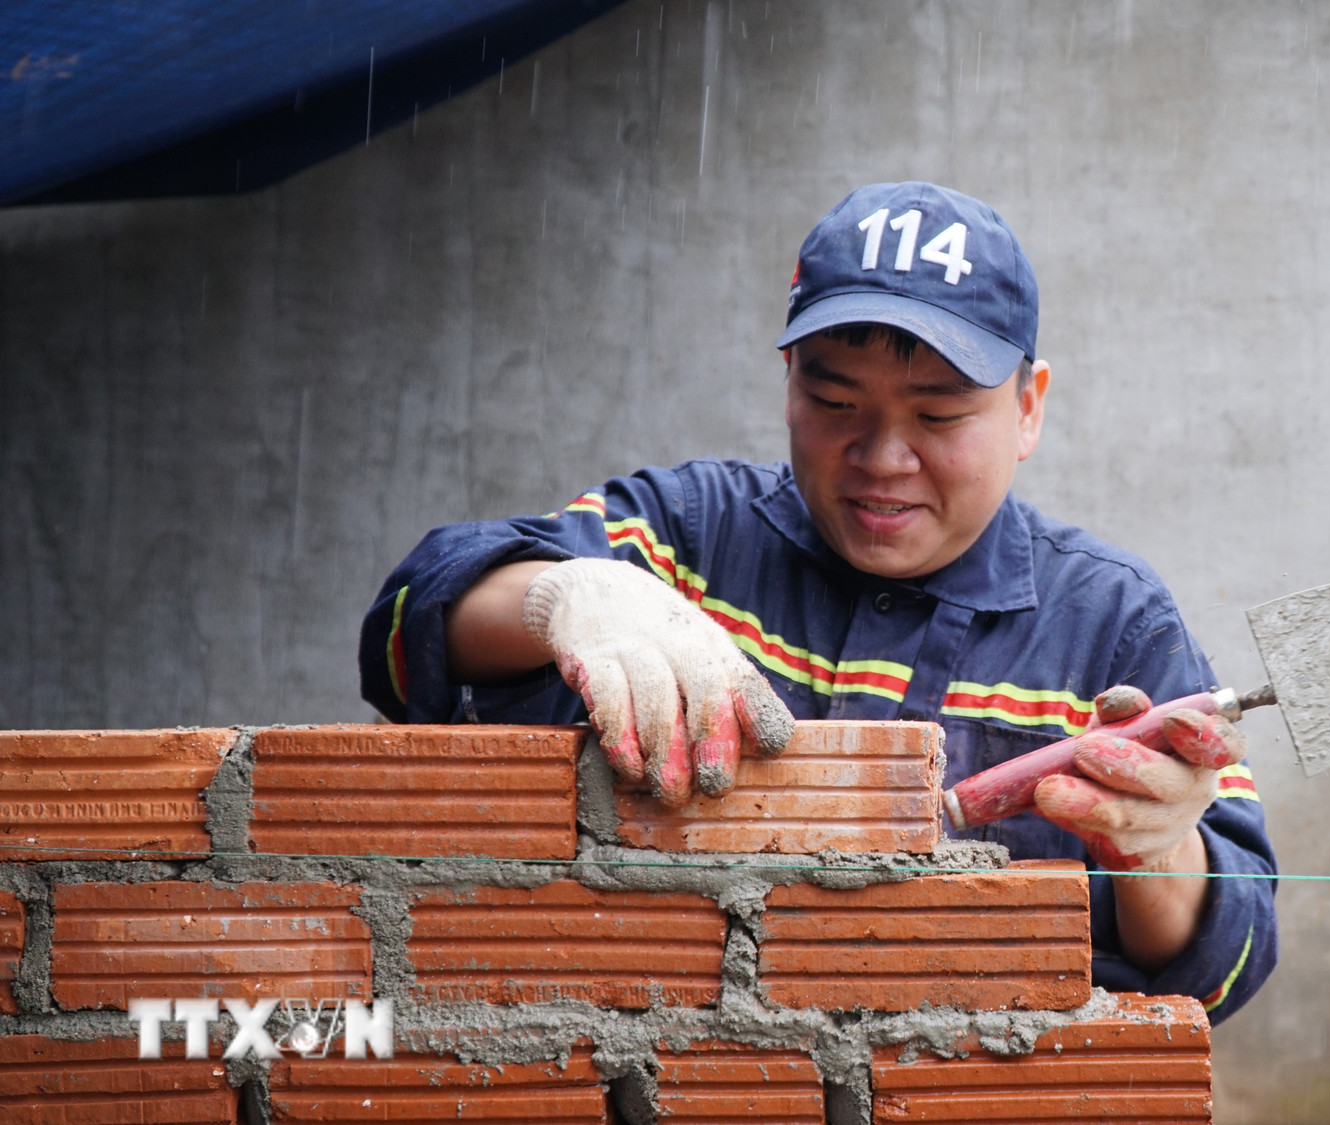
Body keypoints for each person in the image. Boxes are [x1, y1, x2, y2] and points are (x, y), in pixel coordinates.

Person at [358, 182, 1277, 1022]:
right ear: (790, 382)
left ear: (1029, 407)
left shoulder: (1113, 625)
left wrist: (1157, 849)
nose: (882, 456)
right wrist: (567, 595)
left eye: (939, 415)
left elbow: (1228, 968)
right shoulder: (690, 534)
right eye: (834, 400)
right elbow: (409, 636)